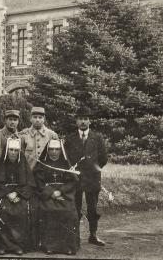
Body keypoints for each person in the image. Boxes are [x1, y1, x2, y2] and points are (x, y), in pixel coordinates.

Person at [64, 106, 108, 247]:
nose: (83, 122)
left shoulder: (97, 138)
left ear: (90, 121)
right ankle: (75, 236)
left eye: (86, 119)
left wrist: (94, 169)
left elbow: (103, 158)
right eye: (80, 119)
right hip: (76, 178)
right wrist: (72, 172)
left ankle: (93, 235)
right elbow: (66, 158)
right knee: (75, 207)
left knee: (92, 208)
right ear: (76, 121)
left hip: (92, 178)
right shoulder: (70, 139)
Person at [33, 139, 79, 255]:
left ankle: (68, 246)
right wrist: (51, 193)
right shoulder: (41, 164)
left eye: (57, 149)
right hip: (47, 196)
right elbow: (38, 183)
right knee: (49, 211)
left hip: (64, 195)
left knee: (68, 211)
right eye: (51, 149)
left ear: (61, 150)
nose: (54, 152)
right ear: (47, 150)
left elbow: (72, 182)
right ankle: (49, 245)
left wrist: (60, 191)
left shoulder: (65, 164)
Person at [0, 138, 35, 255]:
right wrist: (7, 193)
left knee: (21, 211)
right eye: (11, 150)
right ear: (7, 151)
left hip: (19, 195)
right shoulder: (2, 164)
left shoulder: (23, 164)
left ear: (19, 151)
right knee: (1, 211)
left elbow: (30, 183)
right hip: (4, 195)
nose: (13, 152)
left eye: (16, 150)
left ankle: (17, 245)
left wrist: (17, 193)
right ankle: (3, 245)